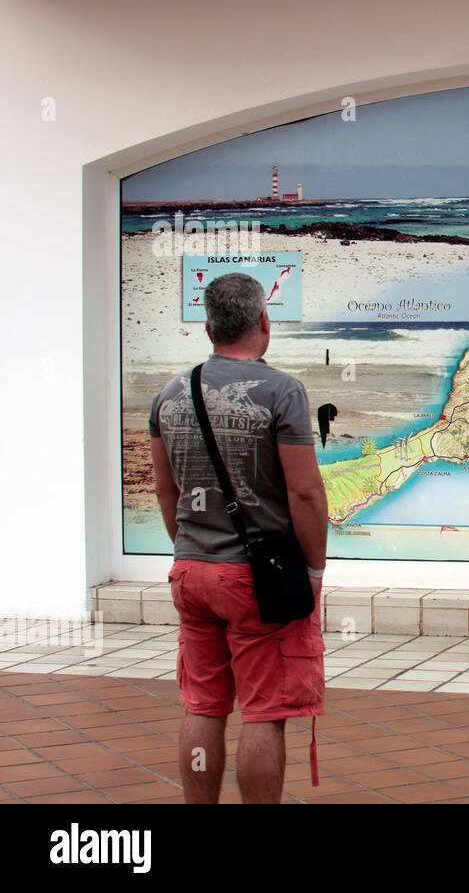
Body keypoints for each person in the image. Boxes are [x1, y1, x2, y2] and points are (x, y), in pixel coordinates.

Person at [149, 272, 328, 803]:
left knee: (203, 705)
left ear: (208, 326)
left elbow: (166, 490)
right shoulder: (282, 390)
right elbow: (306, 496)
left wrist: (190, 548)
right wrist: (314, 570)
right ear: (264, 322)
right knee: (264, 710)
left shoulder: (169, 393)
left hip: (191, 572)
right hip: (258, 582)